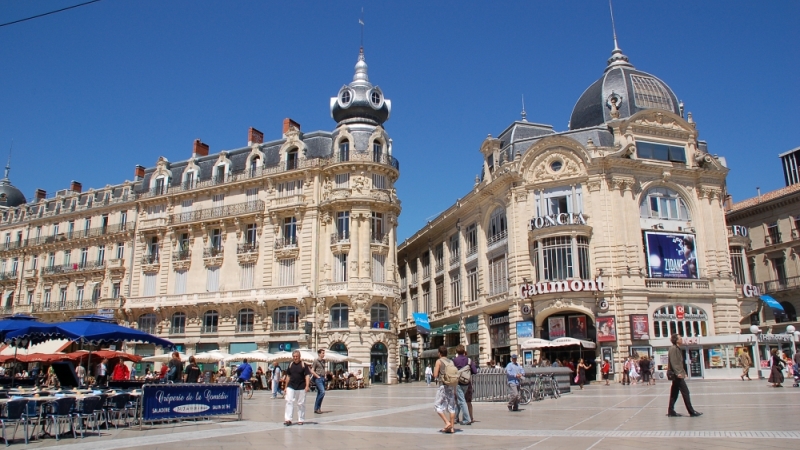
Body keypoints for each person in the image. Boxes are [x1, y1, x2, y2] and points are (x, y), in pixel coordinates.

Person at [667, 334, 702, 417]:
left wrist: (683, 372)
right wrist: (678, 372)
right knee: (686, 392)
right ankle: (691, 411)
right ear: (676, 340)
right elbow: (674, 362)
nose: (682, 339)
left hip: (677, 373)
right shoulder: (673, 348)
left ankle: (671, 411)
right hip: (676, 375)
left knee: (674, 393)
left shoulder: (677, 348)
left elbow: (679, 363)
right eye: (680, 338)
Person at [283, 350, 311, 426]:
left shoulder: (304, 365)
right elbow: (288, 376)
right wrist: (285, 387)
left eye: (296, 356)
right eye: (294, 356)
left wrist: (307, 386)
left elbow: (307, 376)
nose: (295, 358)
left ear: (299, 357)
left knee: (301, 403)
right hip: (291, 386)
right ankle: (288, 419)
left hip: (301, 386)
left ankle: (300, 419)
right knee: (289, 401)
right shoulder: (290, 365)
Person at [433, 345, 457, 433]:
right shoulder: (451, 361)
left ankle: (447, 423)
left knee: (437, 405)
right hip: (451, 385)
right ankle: (452, 428)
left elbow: (435, 375)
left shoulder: (438, 361)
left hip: (443, 386)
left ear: (439, 353)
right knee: (452, 407)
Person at [453, 344, 476, 425]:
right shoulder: (469, 360)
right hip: (466, 382)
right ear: (464, 351)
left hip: (458, 383)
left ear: (456, 351)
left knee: (461, 401)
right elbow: (475, 371)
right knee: (460, 400)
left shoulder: (455, 360)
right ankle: (455, 418)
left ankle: (467, 419)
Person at [311, 349, 327, 414]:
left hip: (323, 378)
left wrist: (325, 376)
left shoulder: (323, 361)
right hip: (318, 379)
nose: (324, 354)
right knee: (323, 392)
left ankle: (317, 408)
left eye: (324, 353)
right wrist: (317, 376)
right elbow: (312, 370)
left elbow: (323, 369)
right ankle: (317, 408)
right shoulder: (316, 361)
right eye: (322, 353)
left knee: (319, 393)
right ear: (319, 354)